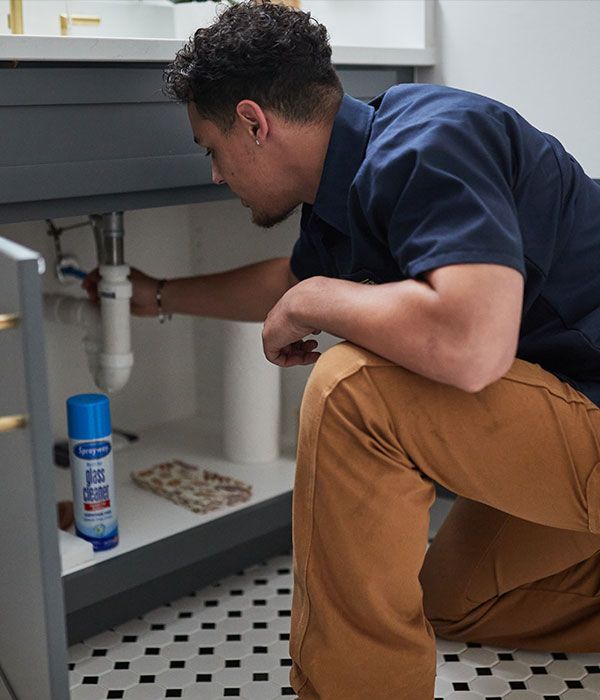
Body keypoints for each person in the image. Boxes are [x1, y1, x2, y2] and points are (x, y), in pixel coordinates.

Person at [84, 3, 600, 698]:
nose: (215, 175)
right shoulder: (349, 190)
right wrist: (159, 294)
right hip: (573, 397)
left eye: (211, 149)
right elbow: (287, 282)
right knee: (455, 599)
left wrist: (315, 301)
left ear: (254, 123)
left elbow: (472, 344)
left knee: (354, 387)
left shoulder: (430, 141)